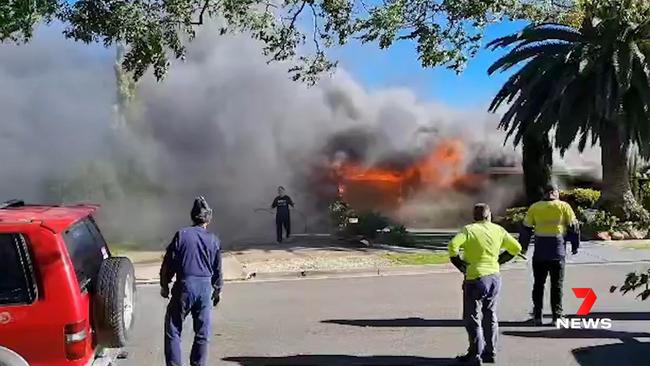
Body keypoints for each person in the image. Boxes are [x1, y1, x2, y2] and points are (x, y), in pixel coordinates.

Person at [448, 203, 522, 365]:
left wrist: (461, 266)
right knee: (490, 314)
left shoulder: (469, 230)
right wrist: (499, 261)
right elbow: (516, 248)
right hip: (494, 277)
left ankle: (475, 353)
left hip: (475, 278)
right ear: (489, 216)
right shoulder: (498, 230)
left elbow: (453, 247)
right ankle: (491, 352)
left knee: (472, 316)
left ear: (474, 217)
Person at [160, 196, 223, 366]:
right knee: (202, 333)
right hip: (205, 288)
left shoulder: (182, 235)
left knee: (173, 329)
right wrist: (217, 290)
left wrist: (164, 285)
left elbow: (169, 263)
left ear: (192, 217)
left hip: (185, 286)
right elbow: (217, 270)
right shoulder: (214, 239)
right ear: (208, 219)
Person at [520, 183, 580, 326]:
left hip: (540, 251)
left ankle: (537, 316)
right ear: (555, 192)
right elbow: (574, 227)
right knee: (557, 285)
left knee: (539, 284)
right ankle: (557, 317)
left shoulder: (535, 207)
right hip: (557, 251)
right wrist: (575, 246)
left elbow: (526, 229)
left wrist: (523, 248)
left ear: (544, 192)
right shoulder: (564, 207)